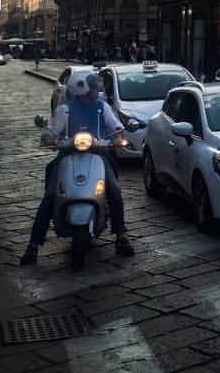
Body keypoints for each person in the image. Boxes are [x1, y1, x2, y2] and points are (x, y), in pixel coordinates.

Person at [20, 72, 134, 265]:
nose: (96, 90)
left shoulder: (102, 107)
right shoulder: (65, 110)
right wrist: (49, 138)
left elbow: (116, 127)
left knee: (114, 189)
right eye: (93, 87)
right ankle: (33, 245)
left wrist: (117, 138)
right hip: (67, 155)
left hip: (98, 154)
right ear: (81, 89)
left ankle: (120, 235)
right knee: (50, 195)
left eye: (96, 87)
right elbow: (51, 131)